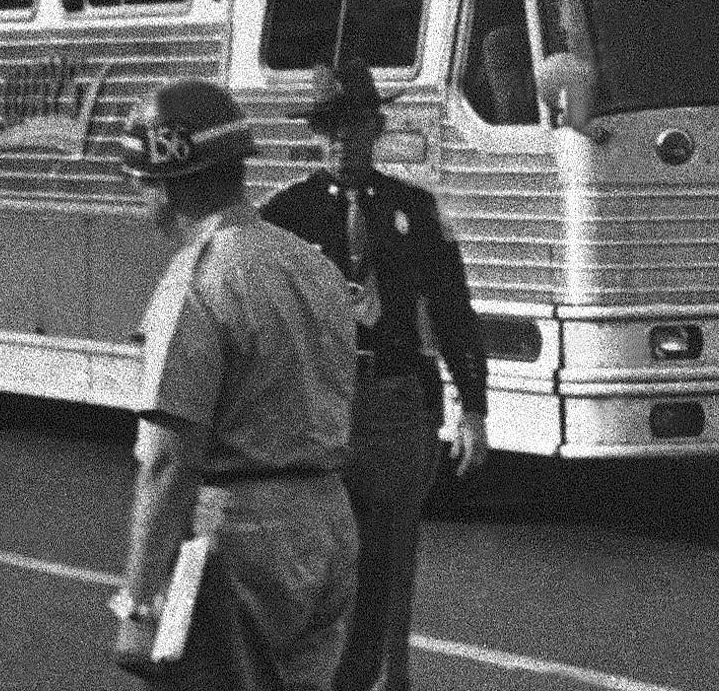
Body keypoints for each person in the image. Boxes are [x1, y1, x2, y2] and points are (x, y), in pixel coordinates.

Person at [110, 79, 363, 690]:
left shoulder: (197, 281)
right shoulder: (310, 263)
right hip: (327, 520)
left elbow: (169, 459)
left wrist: (141, 602)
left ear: (165, 185)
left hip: (239, 533)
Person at [261, 61, 491, 691]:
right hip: (316, 408)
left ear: (377, 127)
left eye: (356, 125)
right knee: (317, 565)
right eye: (330, 129)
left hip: (394, 405)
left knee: (389, 569)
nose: (344, 141)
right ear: (315, 135)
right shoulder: (286, 215)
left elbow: (452, 310)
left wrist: (473, 409)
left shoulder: (412, 209)